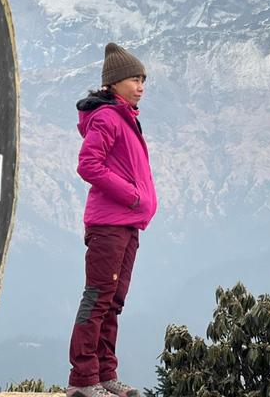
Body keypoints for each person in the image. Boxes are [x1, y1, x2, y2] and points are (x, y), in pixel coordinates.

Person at [67, 43, 158, 397]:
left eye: (143, 80)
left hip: (127, 224)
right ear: (114, 82)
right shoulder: (107, 118)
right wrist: (133, 196)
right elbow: (88, 165)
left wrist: (138, 205)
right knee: (97, 298)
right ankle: (82, 380)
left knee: (113, 302)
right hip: (109, 224)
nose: (141, 86)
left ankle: (105, 375)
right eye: (135, 79)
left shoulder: (126, 118)